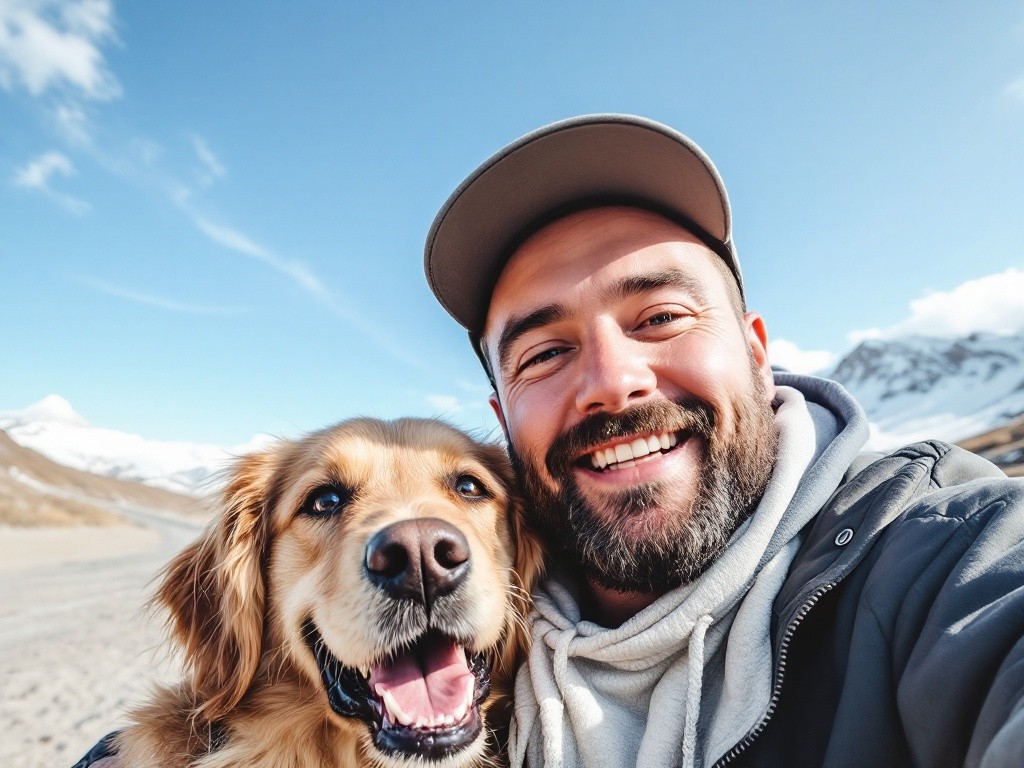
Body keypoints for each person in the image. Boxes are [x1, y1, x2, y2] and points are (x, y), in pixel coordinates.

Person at [422, 114, 1024, 767]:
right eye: (543, 354)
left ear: (756, 353)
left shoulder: (939, 552)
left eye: (660, 317)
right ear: (502, 415)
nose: (613, 382)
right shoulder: (459, 671)